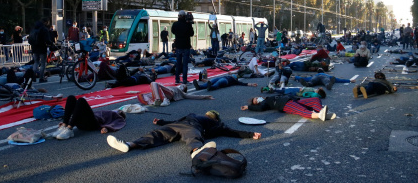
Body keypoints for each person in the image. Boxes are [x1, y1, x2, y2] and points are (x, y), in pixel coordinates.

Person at [107, 110, 261, 154]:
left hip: (185, 126)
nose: (208, 114)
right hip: (181, 126)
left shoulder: (210, 121)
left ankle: (131, 144)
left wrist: (248, 134)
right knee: (157, 134)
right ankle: (128, 145)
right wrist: (160, 122)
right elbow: (175, 120)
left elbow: (226, 130)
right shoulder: (195, 116)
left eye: (211, 114)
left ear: (213, 117)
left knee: (158, 135)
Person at [50, 95, 126, 140]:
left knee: (81, 100)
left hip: (92, 124)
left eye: (119, 111)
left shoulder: (116, 115)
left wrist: (105, 128)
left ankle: (69, 129)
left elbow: (116, 123)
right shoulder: (108, 111)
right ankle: (64, 125)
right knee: (71, 98)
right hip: (84, 121)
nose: (117, 110)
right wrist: (69, 120)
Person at [241, 95, 332, 121]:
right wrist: (248, 107)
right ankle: (319, 115)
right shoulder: (265, 103)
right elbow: (260, 108)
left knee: (315, 100)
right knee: (302, 111)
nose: (257, 100)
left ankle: (322, 112)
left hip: (291, 100)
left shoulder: (268, 97)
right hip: (284, 105)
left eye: (256, 98)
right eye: (256, 102)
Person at [138, 82, 214, 106]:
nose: (182, 85)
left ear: (183, 89)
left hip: (170, 94)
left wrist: (206, 96)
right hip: (163, 93)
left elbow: (193, 96)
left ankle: (159, 100)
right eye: (182, 84)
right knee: (141, 95)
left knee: (154, 83)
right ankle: (157, 100)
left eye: (183, 86)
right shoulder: (172, 86)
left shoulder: (181, 92)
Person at [171, 10, 194, 84]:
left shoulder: (175, 24)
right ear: (185, 16)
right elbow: (191, 33)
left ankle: (177, 79)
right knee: (185, 64)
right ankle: (184, 79)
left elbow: (173, 31)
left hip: (178, 46)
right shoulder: (187, 24)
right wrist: (190, 24)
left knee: (178, 63)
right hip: (186, 46)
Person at [31, 18, 53, 83]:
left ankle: (33, 77)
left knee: (36, 62)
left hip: (34, 48)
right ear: (45, 22)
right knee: (43, 63)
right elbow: (47, 40)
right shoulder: (44, 29)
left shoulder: (34, 28)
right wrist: (51, 44)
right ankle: (41, 78)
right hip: (42, 48)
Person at [193, 74, 257, 91]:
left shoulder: (234, 81)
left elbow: (242, 83)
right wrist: (206, 80)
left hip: (226, 81)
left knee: (218, 83)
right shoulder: (229, 76)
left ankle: (211, 87)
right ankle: (199, 87)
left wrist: (251, 84)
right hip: (222, 77)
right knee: (212, 80)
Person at [261, 85, 327, 99]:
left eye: (319, 89)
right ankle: (267, 88)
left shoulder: (314, 93)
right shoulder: (314, 91)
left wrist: (303, 91)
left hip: (297, 91)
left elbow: (306, 94)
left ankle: (266, 89)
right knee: (281, 90)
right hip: (297, 89)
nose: (317, 89)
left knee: (281, 90)